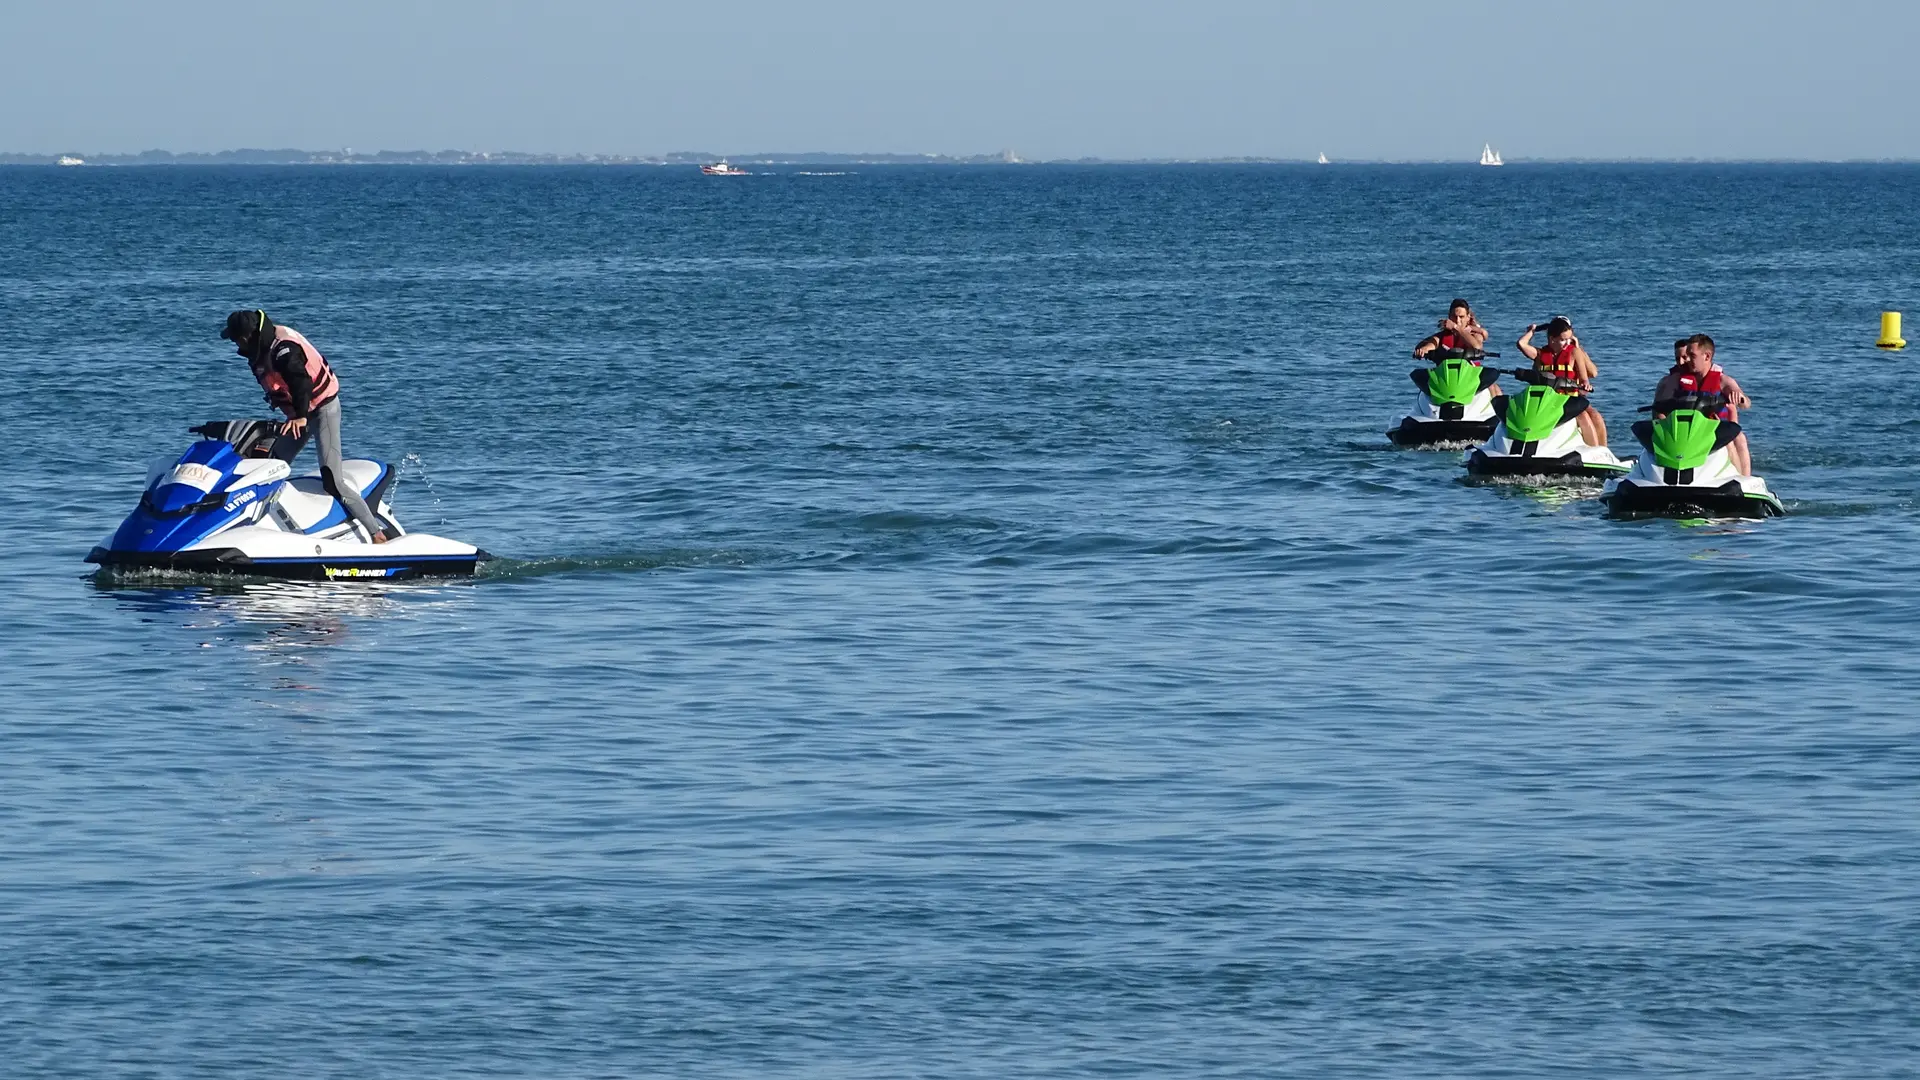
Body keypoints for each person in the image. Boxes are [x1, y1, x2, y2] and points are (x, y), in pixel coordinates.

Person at [220, 309, 390, 543]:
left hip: (322, 409)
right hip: (298, 415)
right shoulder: (261, 348)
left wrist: (300, 417)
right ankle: (258, 526)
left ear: (247, 337)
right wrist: (296, 417)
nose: (234, 344)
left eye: (236, 339)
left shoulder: (283, 350)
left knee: (333, 480)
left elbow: (301, 382)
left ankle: (377, 534)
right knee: (268, 465)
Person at [1655, 333, 1752, 476]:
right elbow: (1659, 407)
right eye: (1686, 355)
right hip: (1685, 432)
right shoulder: (1676, 379)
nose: (1686, 361)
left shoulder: (1722, 380)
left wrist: (1738, 396)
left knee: (1735, 439)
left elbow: (1746, 403)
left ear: (1706, 356)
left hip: (1715, 430)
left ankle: (1741, 479)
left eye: (1691, 356)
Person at [1514, 315, 1608, 447]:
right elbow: (1521, 344)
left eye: (1569, 339)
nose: (1568, 343)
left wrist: (1585, 385)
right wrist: (1532, 331)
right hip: (1547, 400)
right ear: (1552, 339)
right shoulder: (1540, 354)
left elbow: (1585, 378)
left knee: (1588, 417)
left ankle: (1597, 450)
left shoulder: (1575, 352)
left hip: (1569, 399)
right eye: (1564, 340)